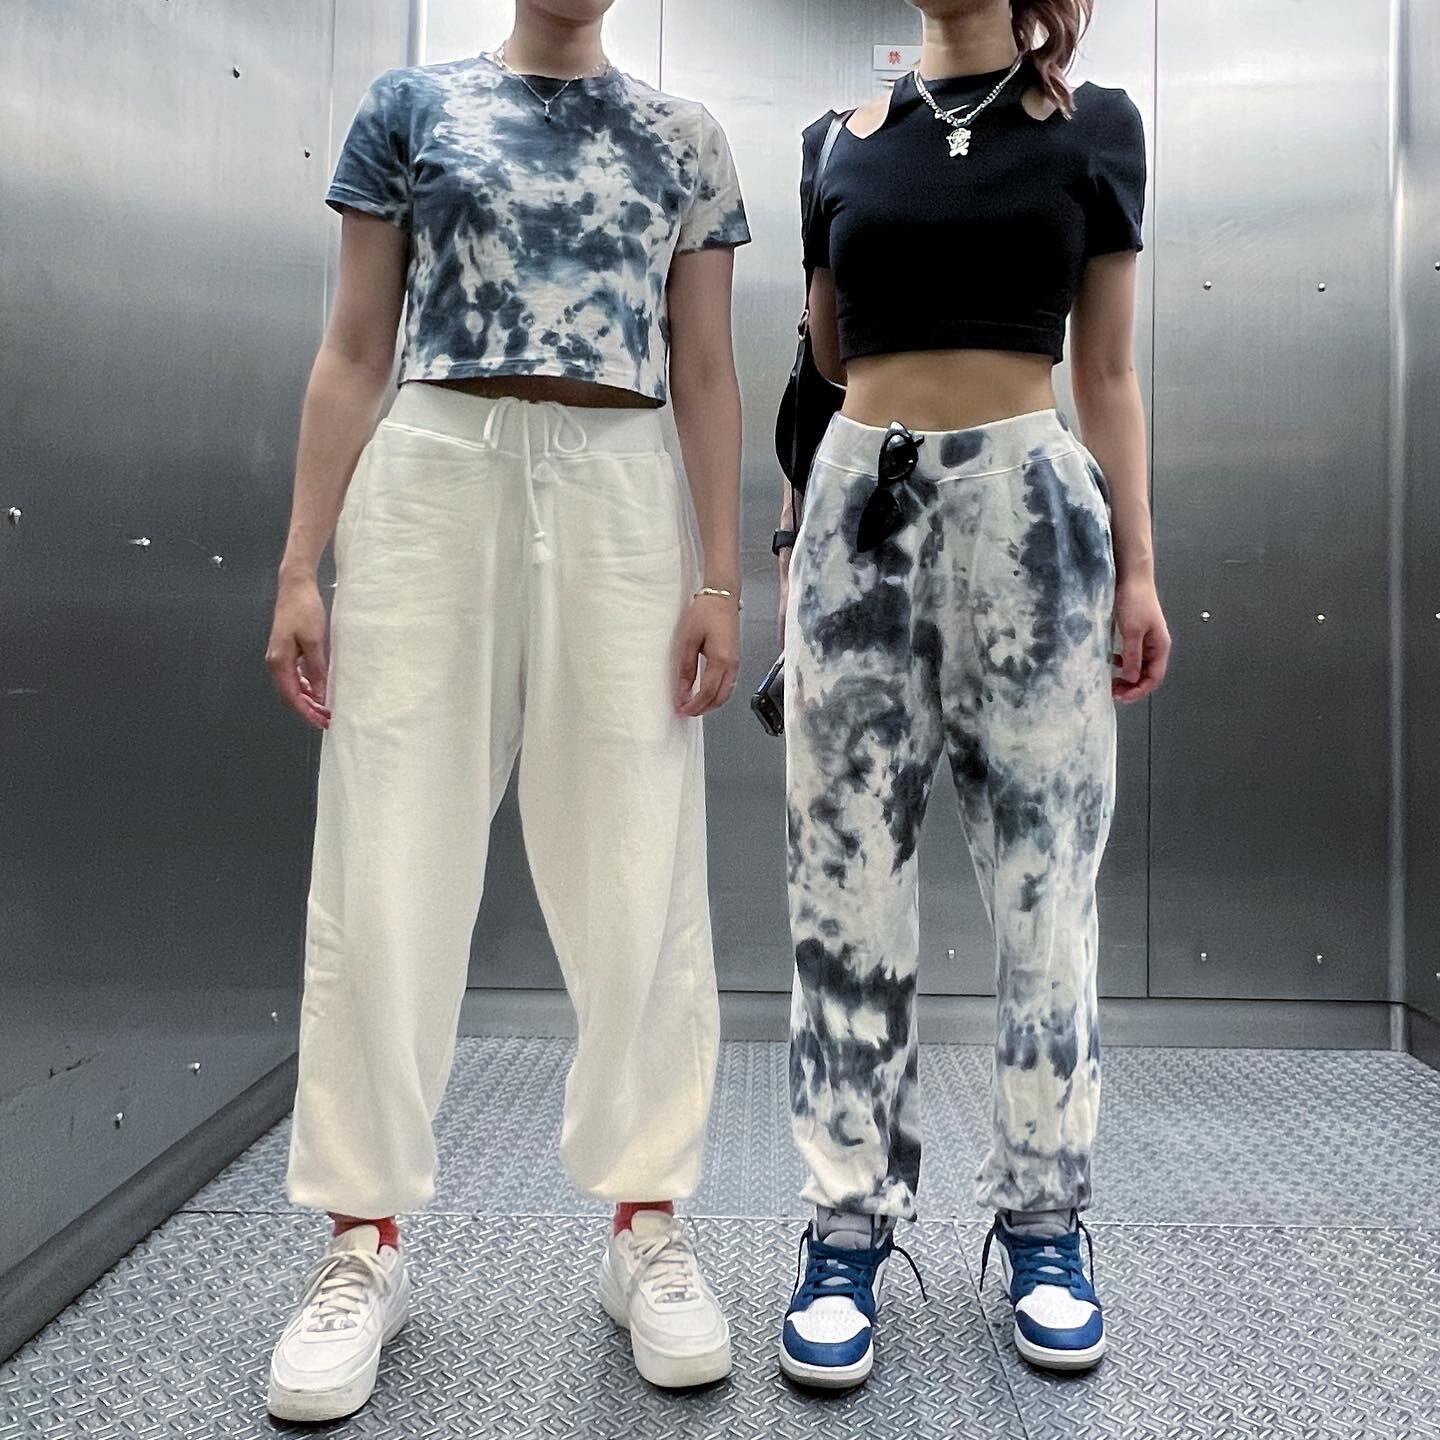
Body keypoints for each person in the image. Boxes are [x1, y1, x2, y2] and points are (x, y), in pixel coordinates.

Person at [261, 0, 750, 1420]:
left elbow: (706, 367)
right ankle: (362, 1240)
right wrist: (299, 565)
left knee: (640, 852)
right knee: (386, 847)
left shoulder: (683, 136)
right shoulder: (410, 108)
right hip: (432, 468)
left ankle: (646, 1224)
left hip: (621, 480)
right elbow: (354, 346)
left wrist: (722, 579)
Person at [773, 0, 1170, 1390]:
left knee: (1048, 885)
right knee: (841, 889)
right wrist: (792, 544)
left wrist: (1139, 568)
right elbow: (828, 360)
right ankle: (846, 1224)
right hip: (859, 509)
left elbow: (1105, 371)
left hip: (1035, 515)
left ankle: (1045, 1220)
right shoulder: (835, 139)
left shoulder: (1094, 128)